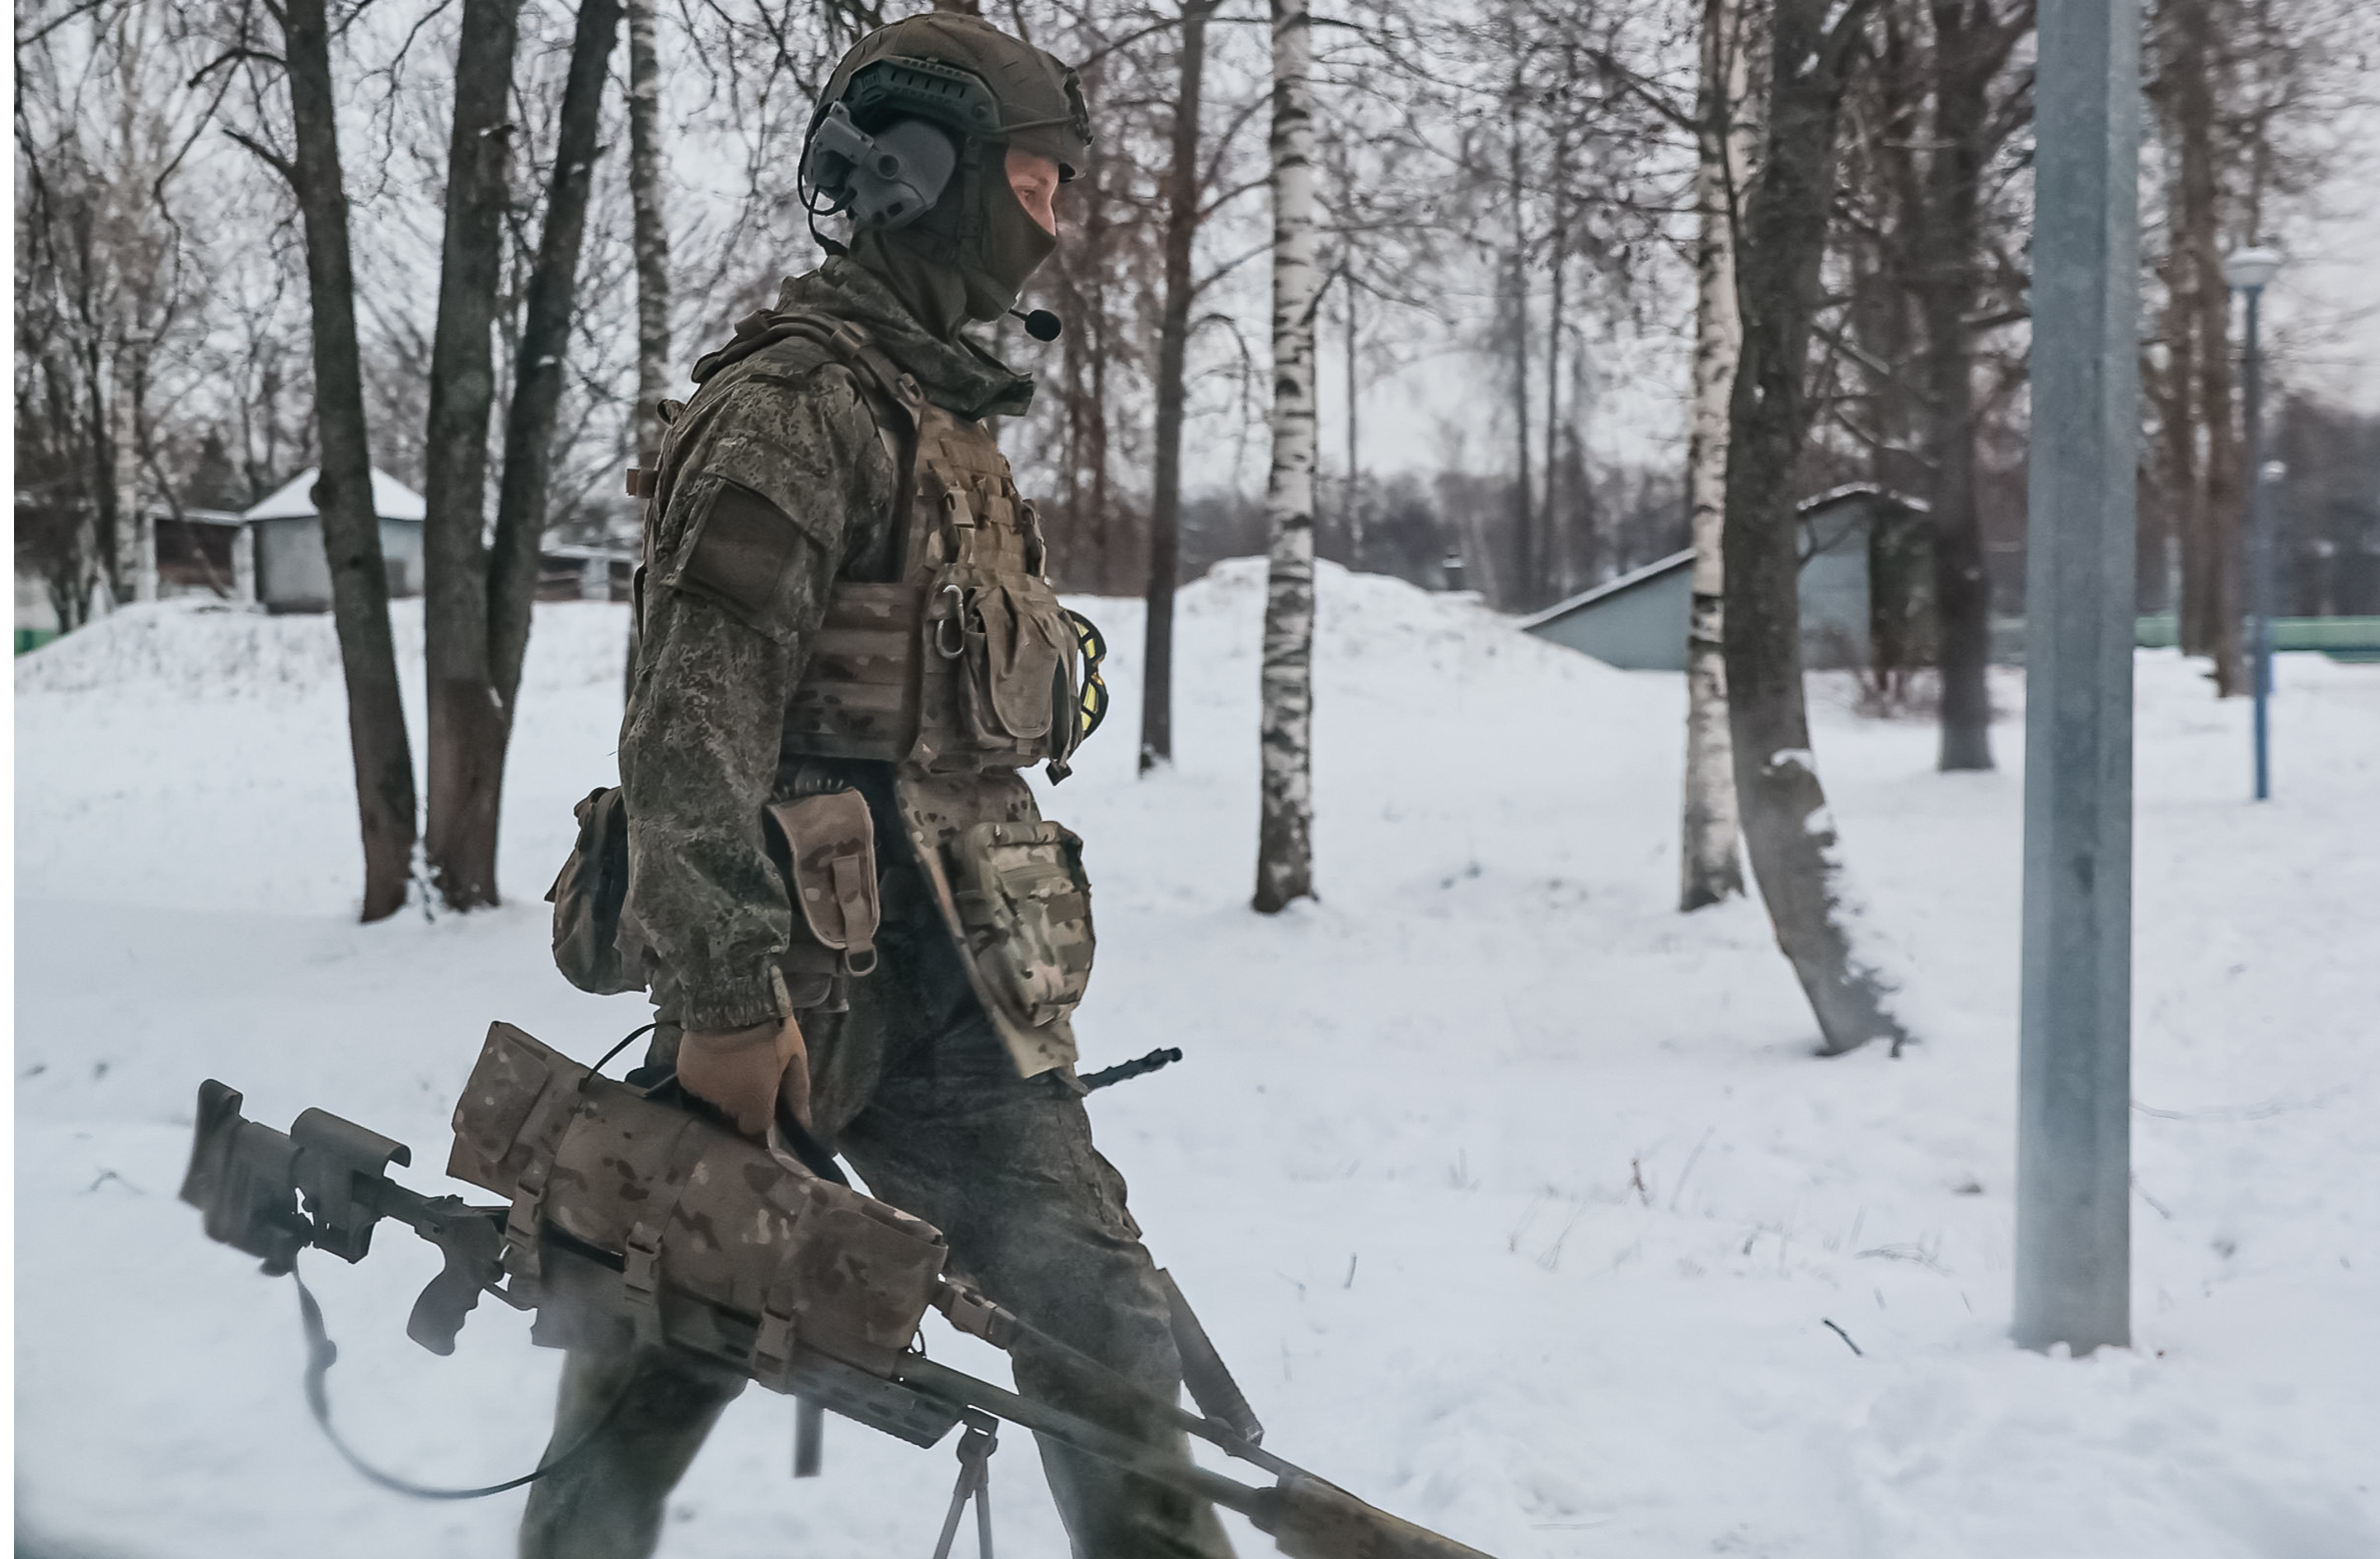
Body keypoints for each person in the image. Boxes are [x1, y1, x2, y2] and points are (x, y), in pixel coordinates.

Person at [518, 15, 1234, 1559]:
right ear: (924, 177)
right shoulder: (795, 406)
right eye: (1037, 184)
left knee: (1103, 1321)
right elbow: (687, 727)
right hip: (795, 987)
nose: (1053, 220)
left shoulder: (944, 421)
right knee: (670, 1339)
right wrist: (719, 1000)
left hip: (962, 995)